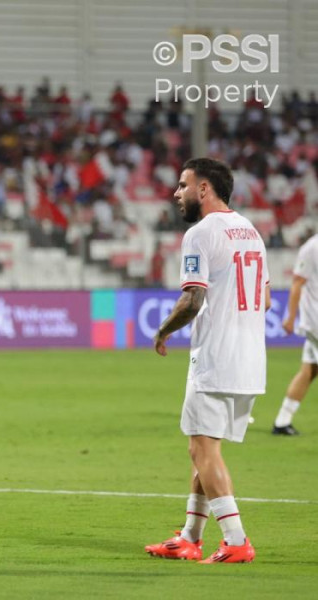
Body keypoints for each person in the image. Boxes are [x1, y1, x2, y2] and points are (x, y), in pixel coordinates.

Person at [146, 158, 268, 564]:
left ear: (204, 189)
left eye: (183, 185)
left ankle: (235, 540)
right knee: (201, 447)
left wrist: (163, 330)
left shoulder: (201, 233)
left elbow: (193, 299)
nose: (175, 193)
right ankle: (189, 536)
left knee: (203, 450)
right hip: (251, 359)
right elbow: (264, 299)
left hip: (216, 358)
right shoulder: (251, 231)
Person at [272, 232, 318, 435]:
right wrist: (291, 317)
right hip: (316, 320)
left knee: (309, 370)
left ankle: (282, 421)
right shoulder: (311, 248)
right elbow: (297, 283)